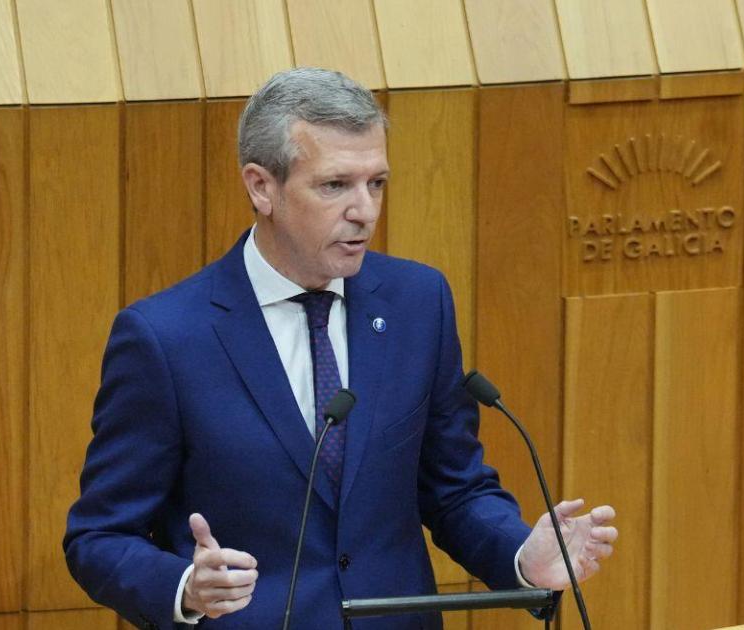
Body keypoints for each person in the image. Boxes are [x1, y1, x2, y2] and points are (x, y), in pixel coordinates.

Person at [64, 67, 617, 630]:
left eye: (376, 183)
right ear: (261, 187)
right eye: (335, 185)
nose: (365, 211)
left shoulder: (417, 303)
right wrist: (185, 586)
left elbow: (453, 489)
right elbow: (99, 536)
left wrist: (521, 556)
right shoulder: (166, 338)